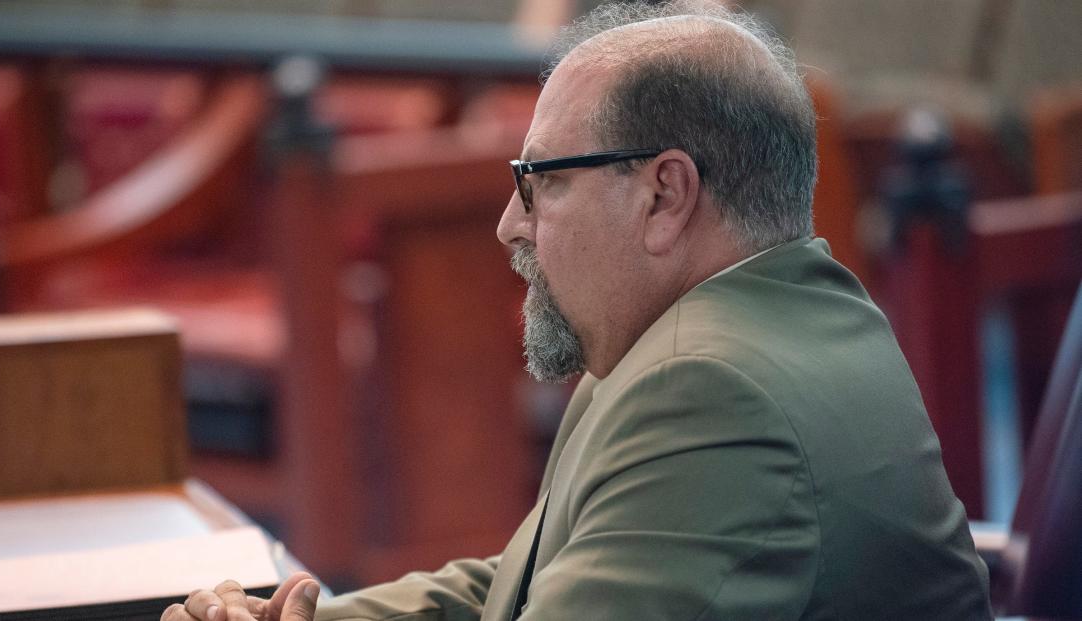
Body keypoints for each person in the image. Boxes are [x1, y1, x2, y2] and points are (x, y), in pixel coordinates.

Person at [163, 1, 993, 619]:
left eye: (544, 182)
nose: (509, 224)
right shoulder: (763, 317)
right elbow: (524, 581)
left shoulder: (707, 392)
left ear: (665, 194)